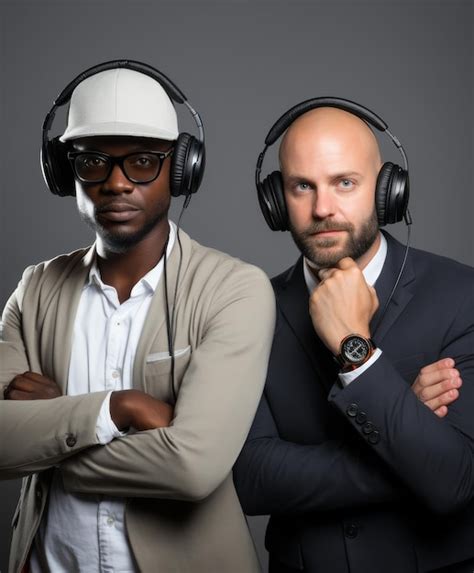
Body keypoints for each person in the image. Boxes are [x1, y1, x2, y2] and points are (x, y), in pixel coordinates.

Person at [0, 60, 275, 573]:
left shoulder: (234, 289)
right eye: (93, 162)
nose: (118, 183)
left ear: (182, 166)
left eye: (144, 161)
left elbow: (192, 467)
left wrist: (55, 435)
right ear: (64, 171)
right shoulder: (35, 290)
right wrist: (119, 408)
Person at [234, 99, 474, 573]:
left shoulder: (463, 295)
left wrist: (356, 353)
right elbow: (251, 479)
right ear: (277, 201)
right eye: (302, 187)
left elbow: (453, 479)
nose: (323, 209)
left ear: (388, 190)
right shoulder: (248, 309)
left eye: (345, 182)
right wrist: (406, 434)